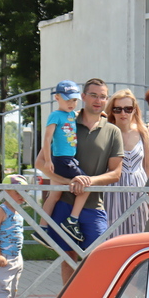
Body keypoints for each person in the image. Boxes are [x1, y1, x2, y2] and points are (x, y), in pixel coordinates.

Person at [34, 78, 124, 283]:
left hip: (93, 205)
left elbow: (115, 173)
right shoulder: (65, 121)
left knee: (98, 258)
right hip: (65, 203)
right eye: (93, 95)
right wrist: (66, 183)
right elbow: (40, 163)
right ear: (82, 97)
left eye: (102, 96)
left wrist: (87, 183)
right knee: (69, 259)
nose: (98, 100)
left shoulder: (112, 131)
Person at [40, 80, 90, 241]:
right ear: (57, 98)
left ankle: (42, 227)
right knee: (86, 186)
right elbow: (47, 139)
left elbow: (81, 114)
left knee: (54, 194)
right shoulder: (55, 115)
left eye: (74, 100)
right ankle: (72, 220)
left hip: (69, 158)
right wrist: (48, 161)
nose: (71, 103)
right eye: (68, 99)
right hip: (62, 159)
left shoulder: (71, 114)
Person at [104, 89, 149, 238]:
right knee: (114, 233)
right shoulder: (106, 132)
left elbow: (147, 166)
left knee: (140, 233)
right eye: (118, 109)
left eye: (128, 109)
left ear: (134, 110)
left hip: (140, 188)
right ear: (112, 111)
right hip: (114, 190)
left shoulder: (143, 132)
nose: (123, 113)